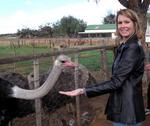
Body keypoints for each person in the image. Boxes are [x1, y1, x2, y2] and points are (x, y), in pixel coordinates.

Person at [59, 9, 145, 126]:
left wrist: (83, 90)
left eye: (127, 22)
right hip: (124, 106)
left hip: (127, 110)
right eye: (120, 23)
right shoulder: (124, 46)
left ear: (134, 24)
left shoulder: (132, 48)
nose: (123, 26)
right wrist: (77, 66)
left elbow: (116, 82)